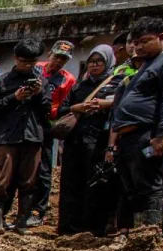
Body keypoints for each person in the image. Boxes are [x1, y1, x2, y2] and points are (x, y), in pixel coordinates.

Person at [109, 17, 163, 230]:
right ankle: (130, 234)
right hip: (129, 137)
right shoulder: (146, 65)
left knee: (150, 186)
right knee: (130, 189)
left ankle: (149, 235)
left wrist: (162, 134)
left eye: (144, 41)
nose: (138, 47)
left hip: (149, 135)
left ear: (161, 38)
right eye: (135, 42)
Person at [0, 38, 53, 233]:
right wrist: (13, 98)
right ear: (16, 58)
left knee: (30, 180)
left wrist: (39, 94)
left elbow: (48, 109)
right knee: (0, 180)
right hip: (7, 136)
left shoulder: (42, 81)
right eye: (24, 61)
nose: (27, 65)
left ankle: (22, 222)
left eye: (32, 61)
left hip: (32, 136)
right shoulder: (3, 81)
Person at [58, 46, 121, 236]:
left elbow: (122, 108)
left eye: (99, 61)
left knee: (95, 184)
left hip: (98, 141)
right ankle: (69, 228)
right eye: (91, 62)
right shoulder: (79, 85)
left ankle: (93, 228)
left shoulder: (116, 84)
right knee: (71, 183)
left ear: (108, 62)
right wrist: (78, 107)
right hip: (75, 140)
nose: (94, 65)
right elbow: (61, 110)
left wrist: (105, 105)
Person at [31, 40, 78, 222]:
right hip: (26, 123)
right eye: (57, 56)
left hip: (46, 125)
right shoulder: (35, 69)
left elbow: (64, 107)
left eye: (63, 59)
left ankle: (38, 210)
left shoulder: (68, 80)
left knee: (44, 169)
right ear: (50, 54)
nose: (59, 61)